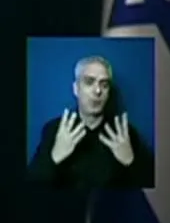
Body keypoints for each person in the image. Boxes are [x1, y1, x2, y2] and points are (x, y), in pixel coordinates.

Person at [29, 56, 155, 190]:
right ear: (76, 89)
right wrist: (54, 158)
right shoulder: (54, 130)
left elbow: (154, 191)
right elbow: (30, 188)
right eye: (89, 82)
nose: (98, 91)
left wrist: (131, 162)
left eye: (104, 85)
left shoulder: (124, 134)